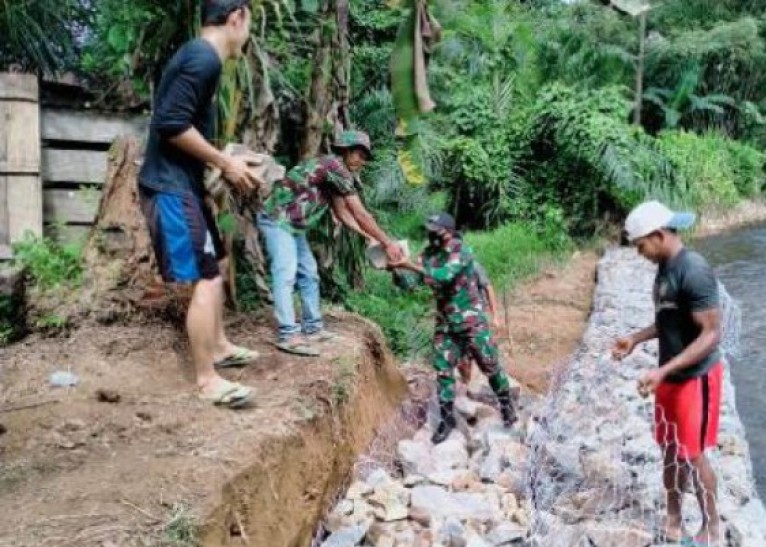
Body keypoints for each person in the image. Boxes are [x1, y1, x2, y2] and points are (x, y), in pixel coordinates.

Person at [138, 0, 262, 408]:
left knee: (219, 262)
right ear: (236, 17)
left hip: (187, 185)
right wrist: (224, 161)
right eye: (249, 23)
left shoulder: (200, 57)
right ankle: (208, 380)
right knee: (206, 277)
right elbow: (170, 124)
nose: (248, 33)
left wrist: (228, 161)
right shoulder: (203, 59)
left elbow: (184, 126)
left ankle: (221, 345)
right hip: (171, 188)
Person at [612, 200, 724, 547]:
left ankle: (712, 527)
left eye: (640, 245)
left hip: (695, 377)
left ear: (658, 235)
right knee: (670, 451)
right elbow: (667, 321)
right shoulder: (664, 268)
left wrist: (664, 370)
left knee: (693, 453)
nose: (639, 253)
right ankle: (674, 519)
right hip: (669, 378)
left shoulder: (694, 270)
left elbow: (710, 333)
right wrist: (635, 339)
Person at [259, 130, 404, 356]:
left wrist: (369, 237)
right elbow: (361, 213)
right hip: (278, 219)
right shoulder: (334, 166)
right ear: (345, 151)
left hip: (293, 225)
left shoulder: (333, 173)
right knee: (285, 273)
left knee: (309, 273)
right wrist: (387, 243)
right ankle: (288, 334)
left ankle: (313, 328)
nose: (361, 161)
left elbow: (343, 213)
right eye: (358, 154)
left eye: (364, 157)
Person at [394, 213, 518, 443]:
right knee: (443, 372)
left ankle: (506, 404)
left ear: (448, 231)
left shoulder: (462, 252)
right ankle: (447, 419)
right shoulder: (428, 255)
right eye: (429, 228)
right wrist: (395, 270)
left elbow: (444, 276)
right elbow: (411, 284)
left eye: (435, 229)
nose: (430, 233)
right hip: (446, 325)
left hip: (471, 323)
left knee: (490, 367)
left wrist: (409, 265)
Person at [457, 261, 501, 394]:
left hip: (476, 319)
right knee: (462, 359)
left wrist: (495, 316)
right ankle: (466, 384)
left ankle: (500, 392)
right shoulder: (446, 269)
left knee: (486, 356)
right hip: (458, 320)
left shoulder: (474, 266)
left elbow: (488, 288)